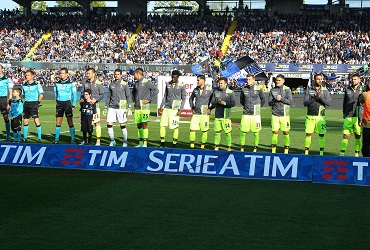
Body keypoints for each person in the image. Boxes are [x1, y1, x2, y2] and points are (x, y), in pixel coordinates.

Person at [103, 69, 132, 147]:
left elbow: (128, 96)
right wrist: (105, 106)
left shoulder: (124, 84)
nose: (116, 75)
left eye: (118, 74)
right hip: (112, 107)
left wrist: (129, 106)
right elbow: (109, 96)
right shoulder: (111, 84)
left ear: (121, 75)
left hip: (121, 108)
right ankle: (112, 141)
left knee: (122, 125)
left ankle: (125, 142)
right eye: (115, 74)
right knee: (109, 124)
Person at [303, 73, 331, 155]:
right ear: (314, 80)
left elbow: (328, 103)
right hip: (310, 116)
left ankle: (321, 153)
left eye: (320, 79)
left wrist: (321, 97)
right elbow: (305, 103)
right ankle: (306, 153)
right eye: (318, 79)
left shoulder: (325, 90)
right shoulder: (309, 90)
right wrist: (315, 98)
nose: (320, 80)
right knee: (308, 134)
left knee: (321, 135)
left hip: (320, 117)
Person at [158, 70, 186, 148]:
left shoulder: (181, 85)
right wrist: (161, 106)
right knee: (162, 125)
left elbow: (184, 98)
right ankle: (162, 143)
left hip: (175, 110)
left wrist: (180, 109)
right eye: (172, 77)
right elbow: (165, 96)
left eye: (174, 77)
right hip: (166, 108)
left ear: (178, 77)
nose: (173, 78)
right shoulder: (168, 84)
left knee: (175, 127)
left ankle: (174, 144)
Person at [132, 68, 159, 147]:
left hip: (144, 108)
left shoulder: (147, 82)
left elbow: (156, 90)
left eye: (134, 74)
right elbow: (133, 92)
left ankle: (145, 143)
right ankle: (140, 143)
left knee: (144, 124)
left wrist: (149, 99)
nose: (134, 76)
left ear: (137, 74)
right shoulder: (136, 83)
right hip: (137, 107)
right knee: (139, 125)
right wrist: (134, 99)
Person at [239, 74, 265, 152]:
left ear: (253, 80)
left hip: (255, 115)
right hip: (246, 114)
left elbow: (263, 99)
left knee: (256, 132)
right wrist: (246, 107)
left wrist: (257, 108)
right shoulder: (243, 89)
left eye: (249, 79)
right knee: (243, 131)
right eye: (247, 79)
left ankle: (255, 147)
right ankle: (242, 148)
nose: (248, 81)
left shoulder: (258, 88)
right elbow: (241, 101)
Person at [209, 77, 235, 151]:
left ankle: (229, 148)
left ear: (226, 84)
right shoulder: (216, 92)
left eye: (221, 83)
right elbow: (213, 102)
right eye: (219, 83)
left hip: (226, 116)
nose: (220, 84)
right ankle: (216, 147)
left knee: (228, 133)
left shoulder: (231, 92)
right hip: (218, 115)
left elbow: (233, 103)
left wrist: (225, 103)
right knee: (217, 132)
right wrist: (217, 102)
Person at [268, 74, 292, 154]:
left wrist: (281, 99)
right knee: (275, 132)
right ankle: (273, 151)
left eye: (279, 80)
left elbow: (290, 101)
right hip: (275, 114)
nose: (277, 82)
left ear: (283, 81)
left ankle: (286, 151)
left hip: (285, 115)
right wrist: (275, 100)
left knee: (286, 132)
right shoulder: (272, 90)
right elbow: (269, 103)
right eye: (276, 80)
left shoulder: (287, 89)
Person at [340, 73, 363, 156]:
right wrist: (344, 112)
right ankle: (342, 154)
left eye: (355, 79)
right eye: (352, 79)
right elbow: (344, 102)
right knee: (346, 135)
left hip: (357, 117)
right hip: (348, 116)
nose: (353, 81)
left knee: (357, 136)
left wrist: (361, 118)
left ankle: (356, 154)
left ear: (359, 80)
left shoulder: (362, 89)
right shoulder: (348, 89)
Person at [52, 68, 77, 144]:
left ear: (66, 74)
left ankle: (73, 140)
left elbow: (74, 95)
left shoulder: (71, 83)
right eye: (60, 73)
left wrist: (73, 105)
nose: (61, 74)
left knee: (70, 122)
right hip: (59, 104)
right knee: (58, 122)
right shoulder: (57, 83)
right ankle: (56, 140)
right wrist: (57, 102)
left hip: (67, 104)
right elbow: (55, 94)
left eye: (63, 73)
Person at [80, 68, 104, 145]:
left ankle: (98, 141)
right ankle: (84, 140)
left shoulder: (98, 83)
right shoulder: (84, 82)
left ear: (93, 74)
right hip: (86, 106)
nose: (88, 75)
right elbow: (82, 93)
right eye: (87, 73)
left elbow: (102, 95)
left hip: (95, 106)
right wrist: (82, 99)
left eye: (89, 73)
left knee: (96, 123)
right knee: (85, 123)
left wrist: (95, 99)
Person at [189, 75, 213, 149]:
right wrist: (192, 107)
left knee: (204, 130)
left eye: (198, 80)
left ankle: (202, 147)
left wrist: (210, 108)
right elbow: (191, 99)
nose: (197, 82)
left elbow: (214, 100)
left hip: (204, 114)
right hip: (196, 114)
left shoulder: (209, 90)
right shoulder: (195, 89)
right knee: (192, 129)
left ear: (203, 80)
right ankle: (192, 146)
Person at [21, 69, 44, 142]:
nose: (26, 76)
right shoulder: (24, 84)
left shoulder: (37, 84)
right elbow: (23, 94)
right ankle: (25, 138)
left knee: (36, 120)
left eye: (28, 75)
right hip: (27, 103)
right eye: (26, 75)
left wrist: (38, 102)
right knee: (25, 121)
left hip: (34, 103)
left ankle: (39, 138)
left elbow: (41, 94)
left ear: (32, 76)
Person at [0, 65, 13, 141]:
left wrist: (9, 102)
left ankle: (8, 135)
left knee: (5, 117)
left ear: (2, 69)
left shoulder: (7, 79)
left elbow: (10, 91)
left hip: (3, 99)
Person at [358, 82, 370, 157]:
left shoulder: (365, 94)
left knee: (366, 144)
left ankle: (366, 160)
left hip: (367, 123)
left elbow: (360, 101)